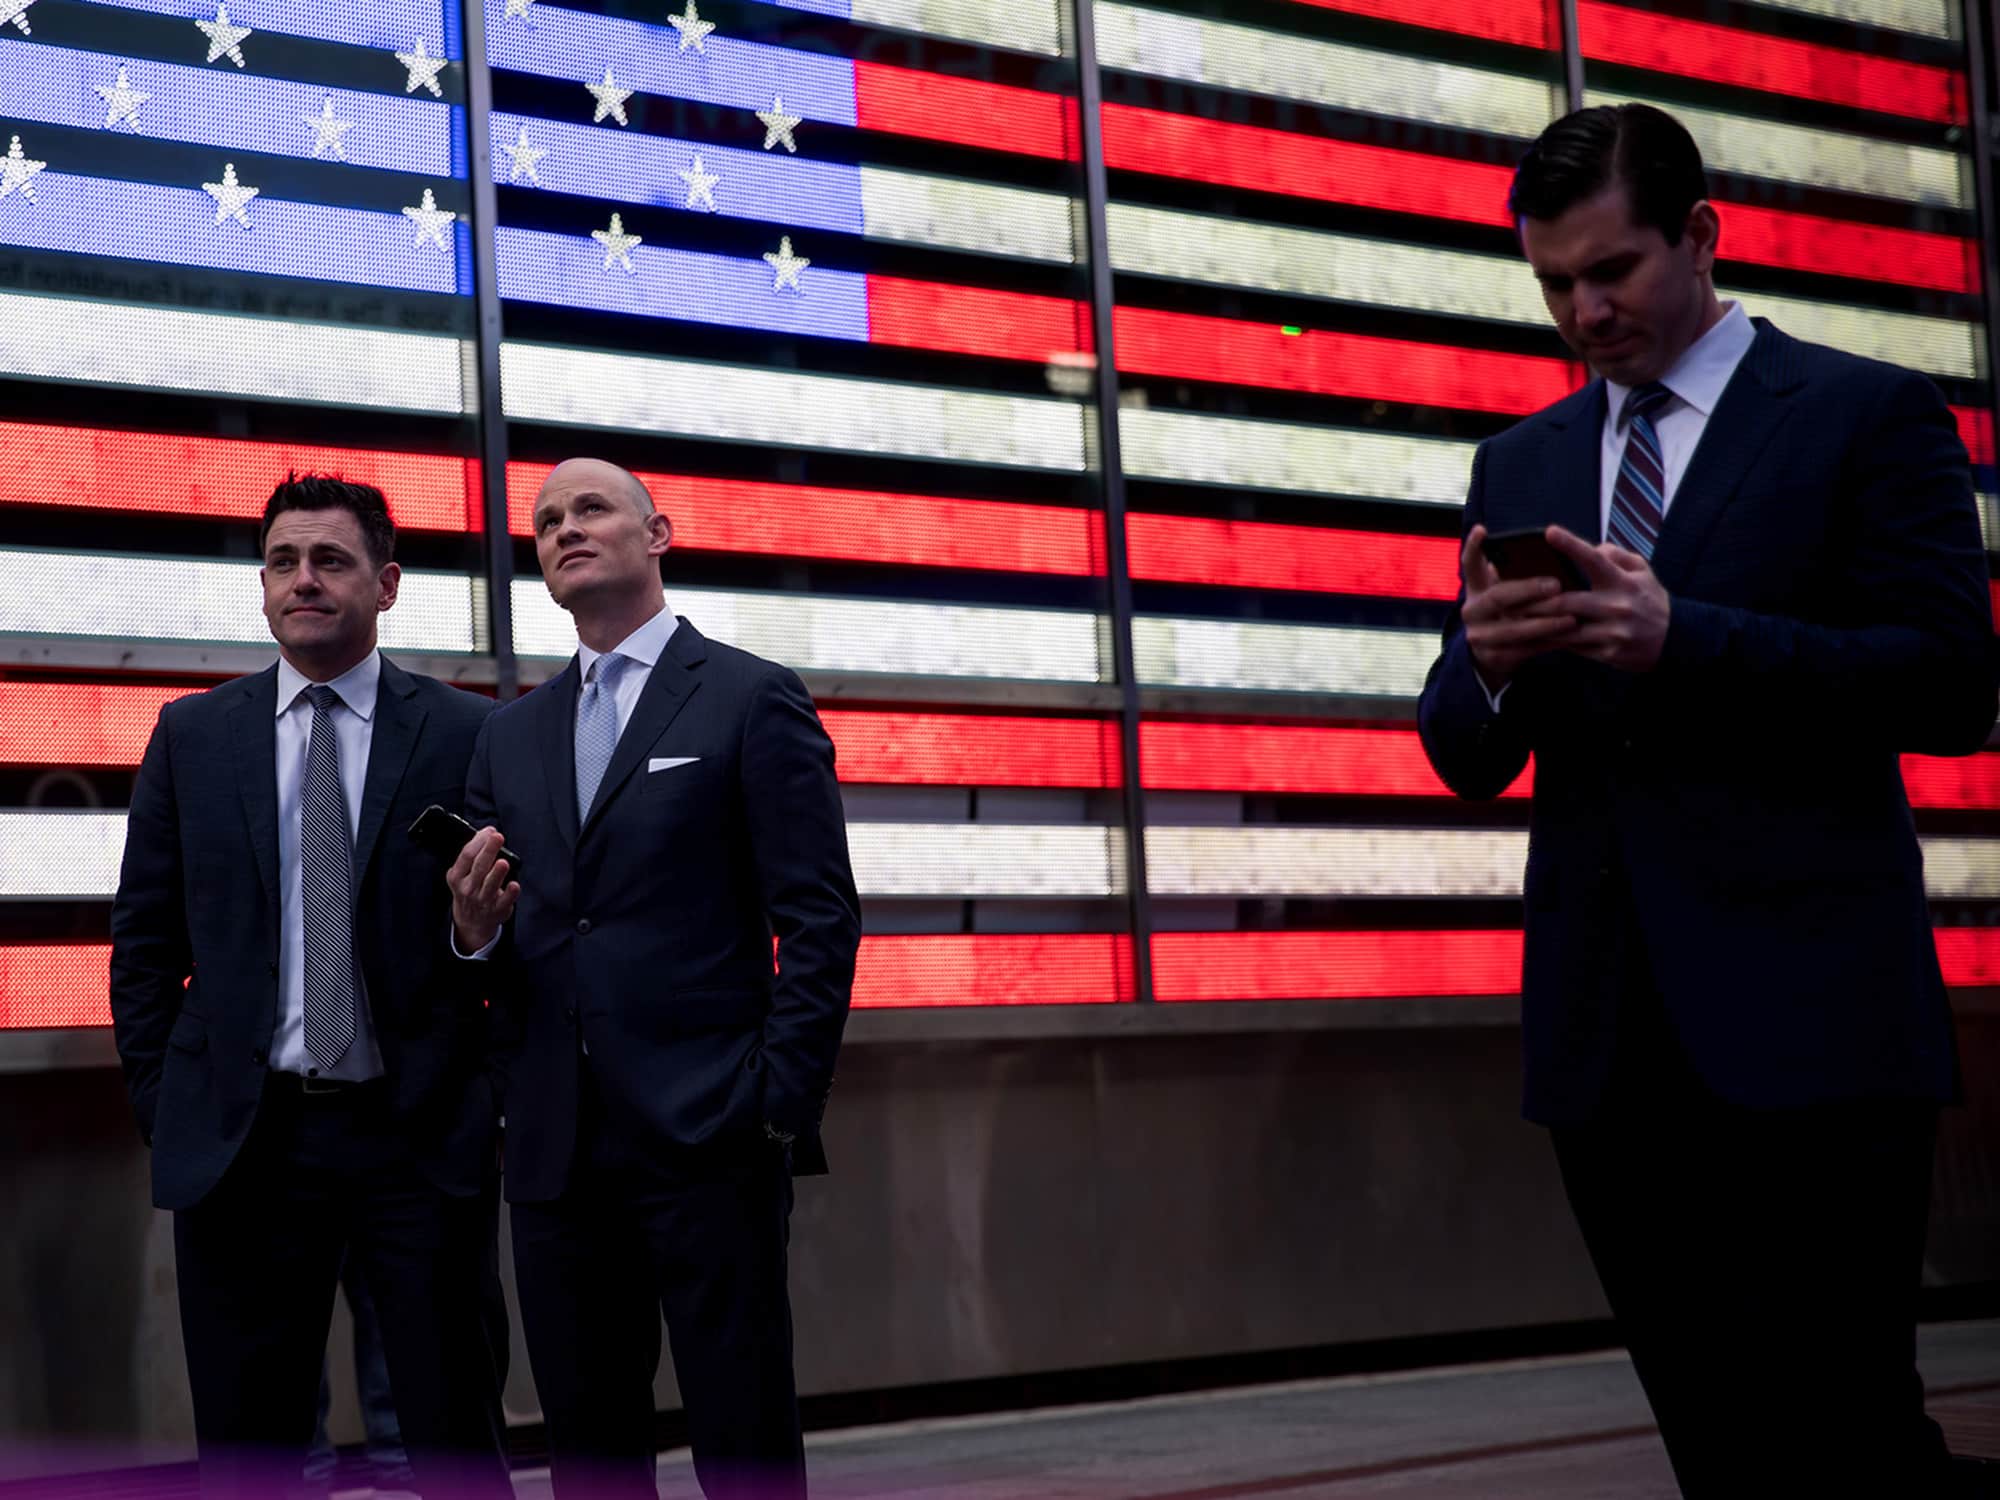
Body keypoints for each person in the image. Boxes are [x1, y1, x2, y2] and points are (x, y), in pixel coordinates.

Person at [1418, 104, 1996, 1496]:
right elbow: (1463, 748)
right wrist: (1485, 673)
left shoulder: (1864, 412)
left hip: (1814, 1027)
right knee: (1718, 1448)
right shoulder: (1525, 464)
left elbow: (1950, 688)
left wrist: (1693, 638)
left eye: (1612, 270)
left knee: (1847, 1438)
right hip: (1610, 1040)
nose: (1583, 309)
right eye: (1554, 282)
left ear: (1702, 235)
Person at [447, 458, 860, 1500]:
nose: (563, 529)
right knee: (588, 1449)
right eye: (545, 522)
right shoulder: (510, 734)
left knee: (743, 1430)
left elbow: (818, 917)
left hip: (710, 1131)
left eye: (590, 509)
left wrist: (777, 1102)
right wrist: (469, 934)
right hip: (555, 1150)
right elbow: (510, 938)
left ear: (658, 533)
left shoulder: (745, 697)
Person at [109, 475, 513, 1499]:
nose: (304, 582)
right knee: (249, 1450)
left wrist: (473, 946)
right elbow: (145, 943)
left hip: (413, 1138)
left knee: (451, 1432)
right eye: (284, 563)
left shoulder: (467, 736)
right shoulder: (193, 737)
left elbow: (516, 940)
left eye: (330, 562)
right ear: (261, 588)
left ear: (386, 584)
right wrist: (171, 1107)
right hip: (247, 1142)